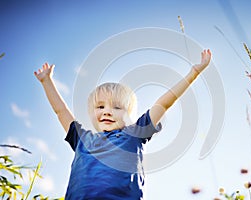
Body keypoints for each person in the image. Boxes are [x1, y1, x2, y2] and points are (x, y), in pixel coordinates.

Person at [34, 49, 211, 199]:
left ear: (128, 115)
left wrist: (194, 73)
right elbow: (61, 112)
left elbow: (164, 103)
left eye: (117, 107)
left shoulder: (134, 134)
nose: (107, 111)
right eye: (100, 106)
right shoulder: (82, 139)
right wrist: (46, 81)